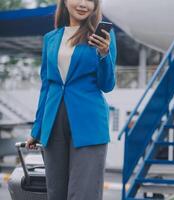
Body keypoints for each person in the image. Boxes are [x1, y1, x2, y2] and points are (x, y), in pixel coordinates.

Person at [25, 0, 117, 199]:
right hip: (54, 120)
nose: (83, 4)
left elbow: (107, 85)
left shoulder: (104, 37)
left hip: (89, 122)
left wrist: (104, 54)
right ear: (65, 2)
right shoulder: (50, 38)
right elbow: (47, 86)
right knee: (56, 191)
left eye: (90, 1)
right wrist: (37, 129)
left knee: (84, 192)